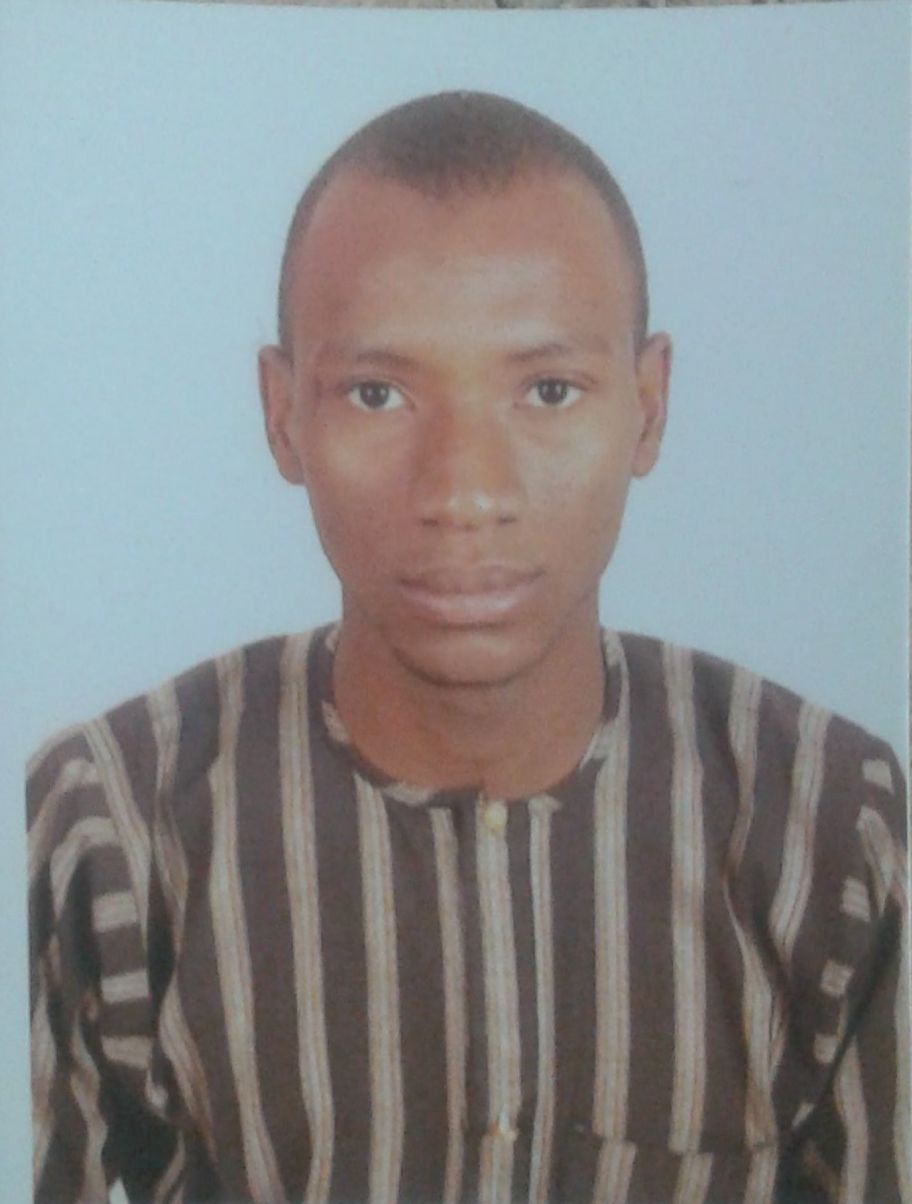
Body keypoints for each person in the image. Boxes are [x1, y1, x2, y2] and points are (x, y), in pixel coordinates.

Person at [27, 91, 908, 1204]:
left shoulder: (829, 825)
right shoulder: (110, 826)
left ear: (647, 407)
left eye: (548, 390)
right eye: (378, 393)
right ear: (284, 414)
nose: (464, 492)